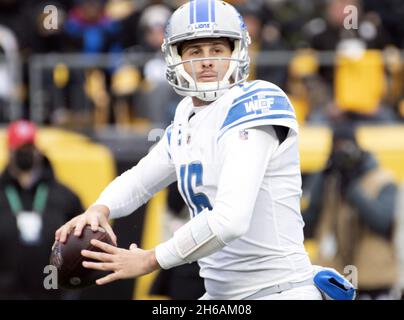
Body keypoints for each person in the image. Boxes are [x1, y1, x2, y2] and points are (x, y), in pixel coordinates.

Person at [56, 0, 330, 300]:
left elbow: (231, 220)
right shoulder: (188, 114)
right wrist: (99, 209)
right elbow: (140, 180)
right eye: (195, 52)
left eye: (217, 50)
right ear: (174, 57)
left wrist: (151, 259)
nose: (207, 61)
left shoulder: (257, 101)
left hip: (277, 290)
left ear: (236, 52)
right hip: (222, 295)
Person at [302, 123, 399, 299]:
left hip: (375, 278)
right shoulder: (331, 181)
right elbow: (309, 221)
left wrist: (353, 188)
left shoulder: (382, 180)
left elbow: (382, 222)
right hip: (338, 278)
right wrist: (323, 175)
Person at [0, 120, 83, 299]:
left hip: (52, 293)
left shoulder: (64, 196)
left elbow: (82, 246)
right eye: (19, 147)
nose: (25, 152)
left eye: (28, 146)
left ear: (37, 148)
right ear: (9, 150)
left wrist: (72, 291)